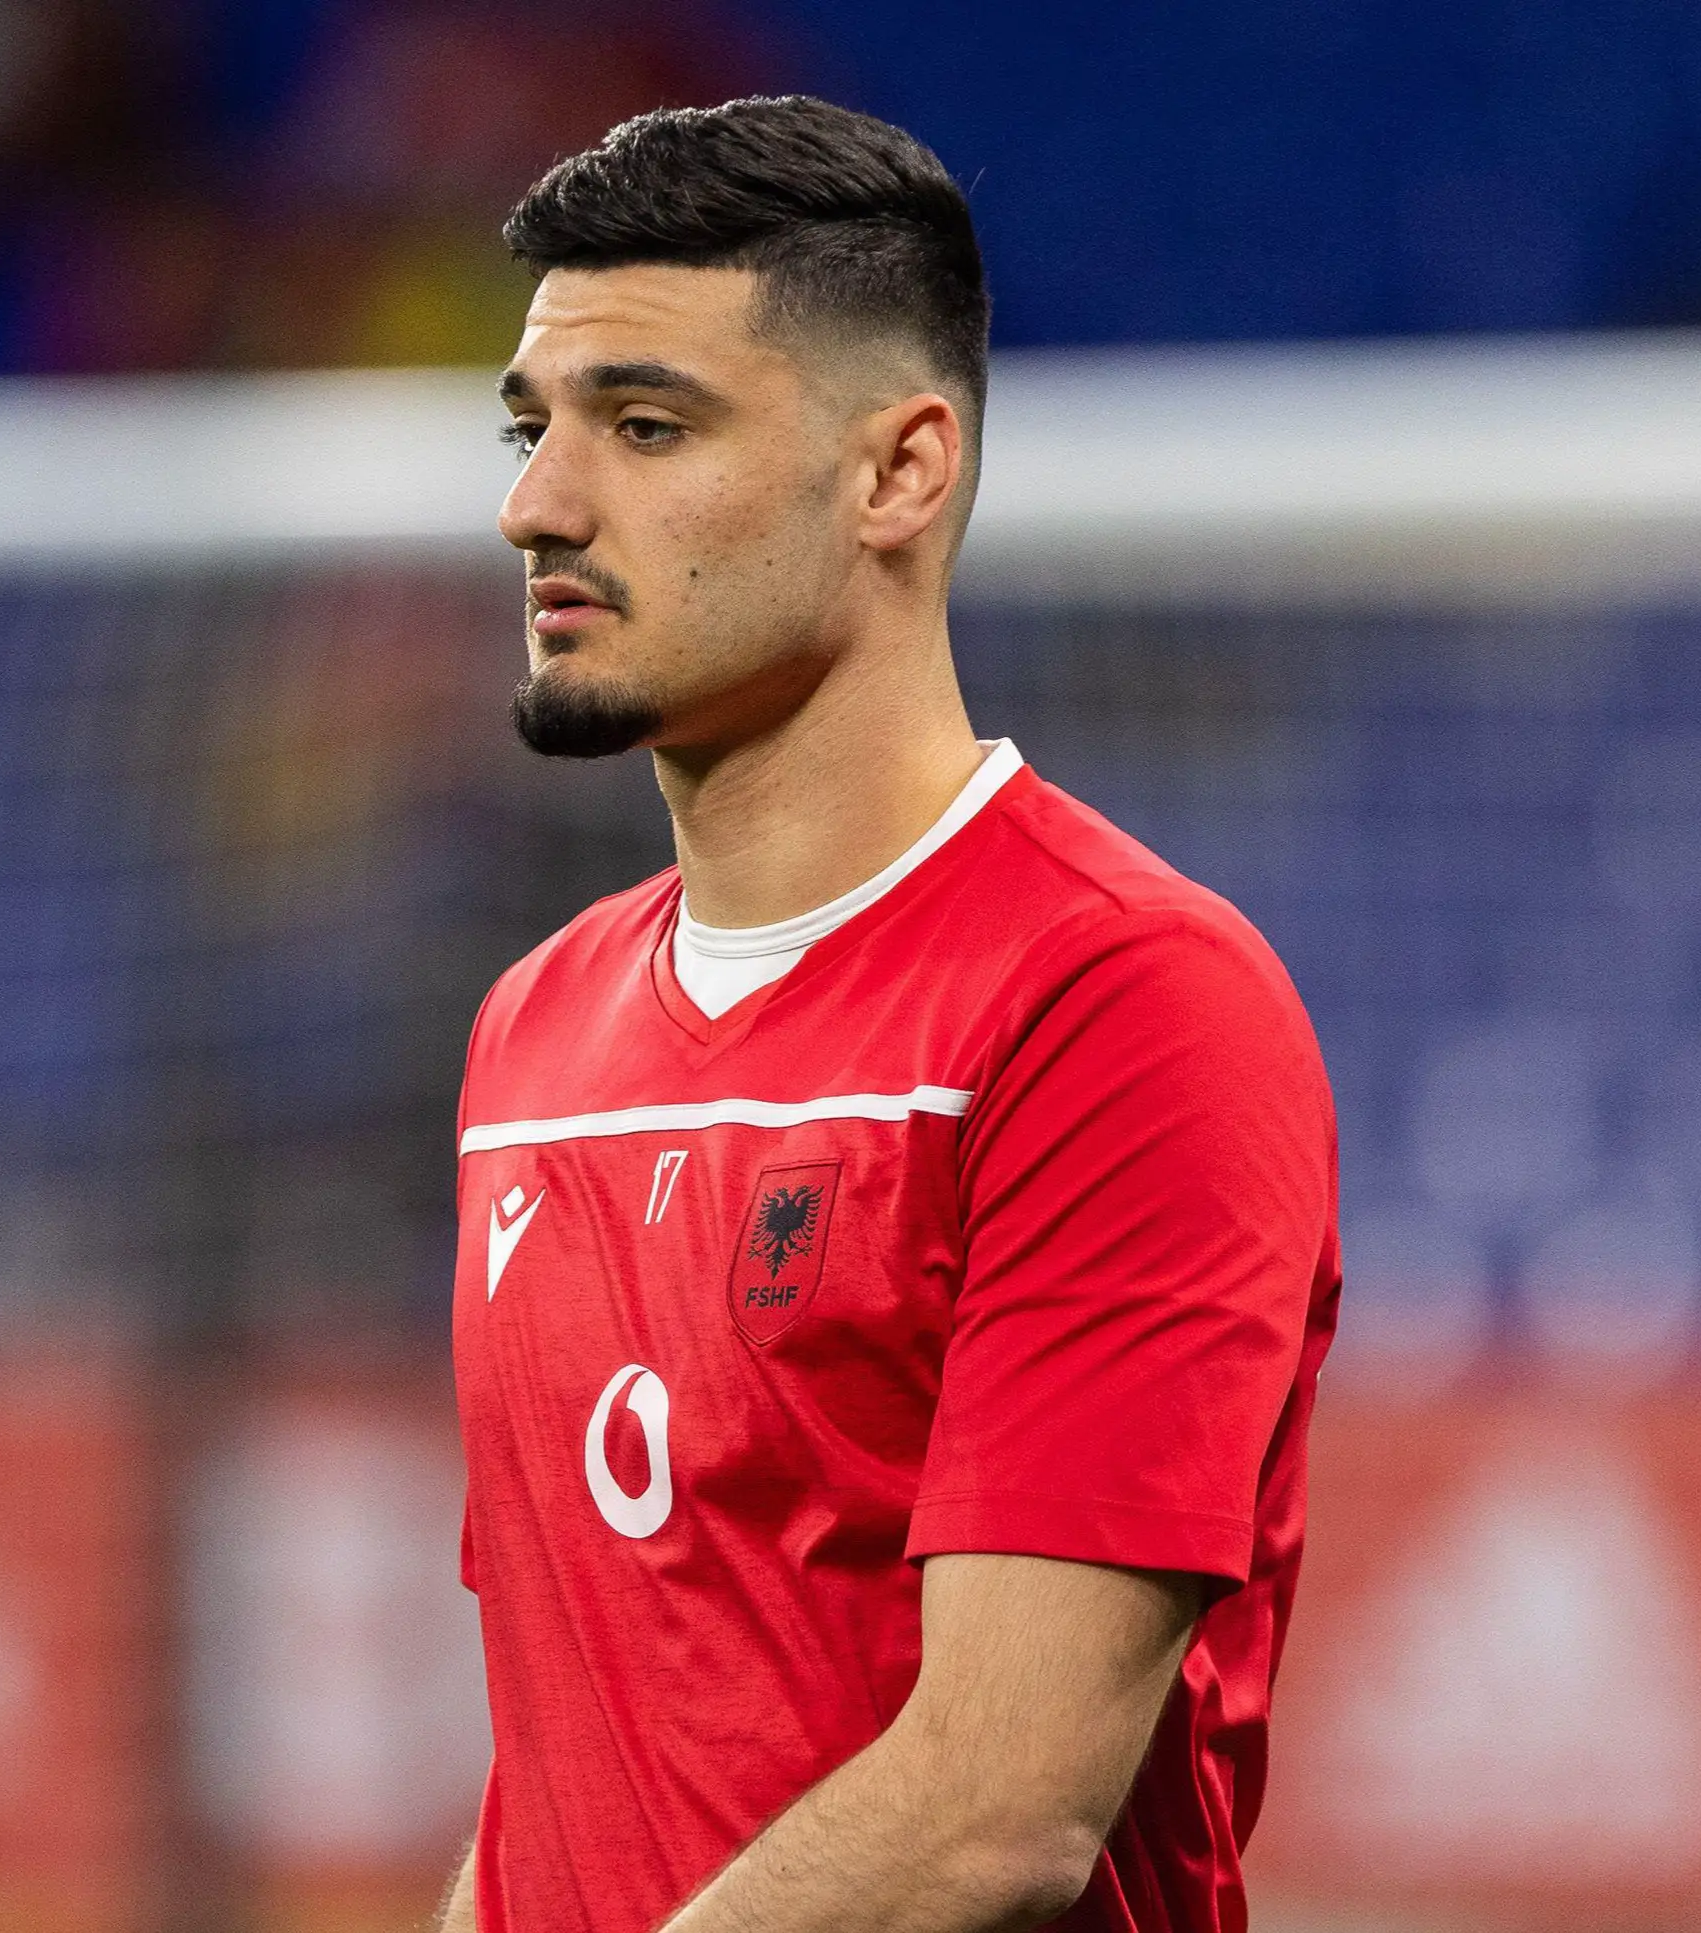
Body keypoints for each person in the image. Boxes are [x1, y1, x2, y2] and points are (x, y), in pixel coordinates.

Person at [446, 97, 1338, 1933]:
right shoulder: (531, 1035)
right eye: (534, 429)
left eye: (645, 423)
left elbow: (993, 1818)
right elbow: (560, 1774)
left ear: (900, 472)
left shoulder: (1120, 1003)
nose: (536, 501)